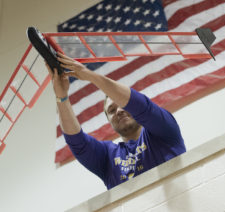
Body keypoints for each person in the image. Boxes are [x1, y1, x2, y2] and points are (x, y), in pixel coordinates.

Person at [47, 52, 186, 190]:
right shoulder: (108, 156)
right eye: (112, 110)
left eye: (122, 105)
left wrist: (89, 75)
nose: (119, 111)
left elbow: (143, 107)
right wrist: (61, 96)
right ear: (109, 121)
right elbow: (77, 143)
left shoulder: (164, 130)